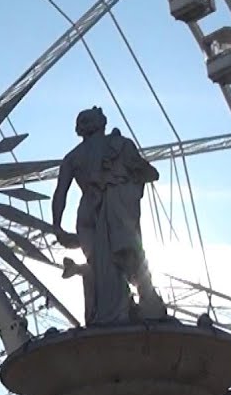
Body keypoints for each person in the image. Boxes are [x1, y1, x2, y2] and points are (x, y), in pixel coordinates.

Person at [51, 107, 165, 325]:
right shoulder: (120, 145)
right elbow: (145, 173)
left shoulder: (73, 158)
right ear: (101, 124)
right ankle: (126, 311)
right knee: (125, 257)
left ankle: (102, 314)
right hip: (116, 209)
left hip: (88, 212)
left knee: (99, 266)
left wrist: (57, 225)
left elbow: (60, 193)